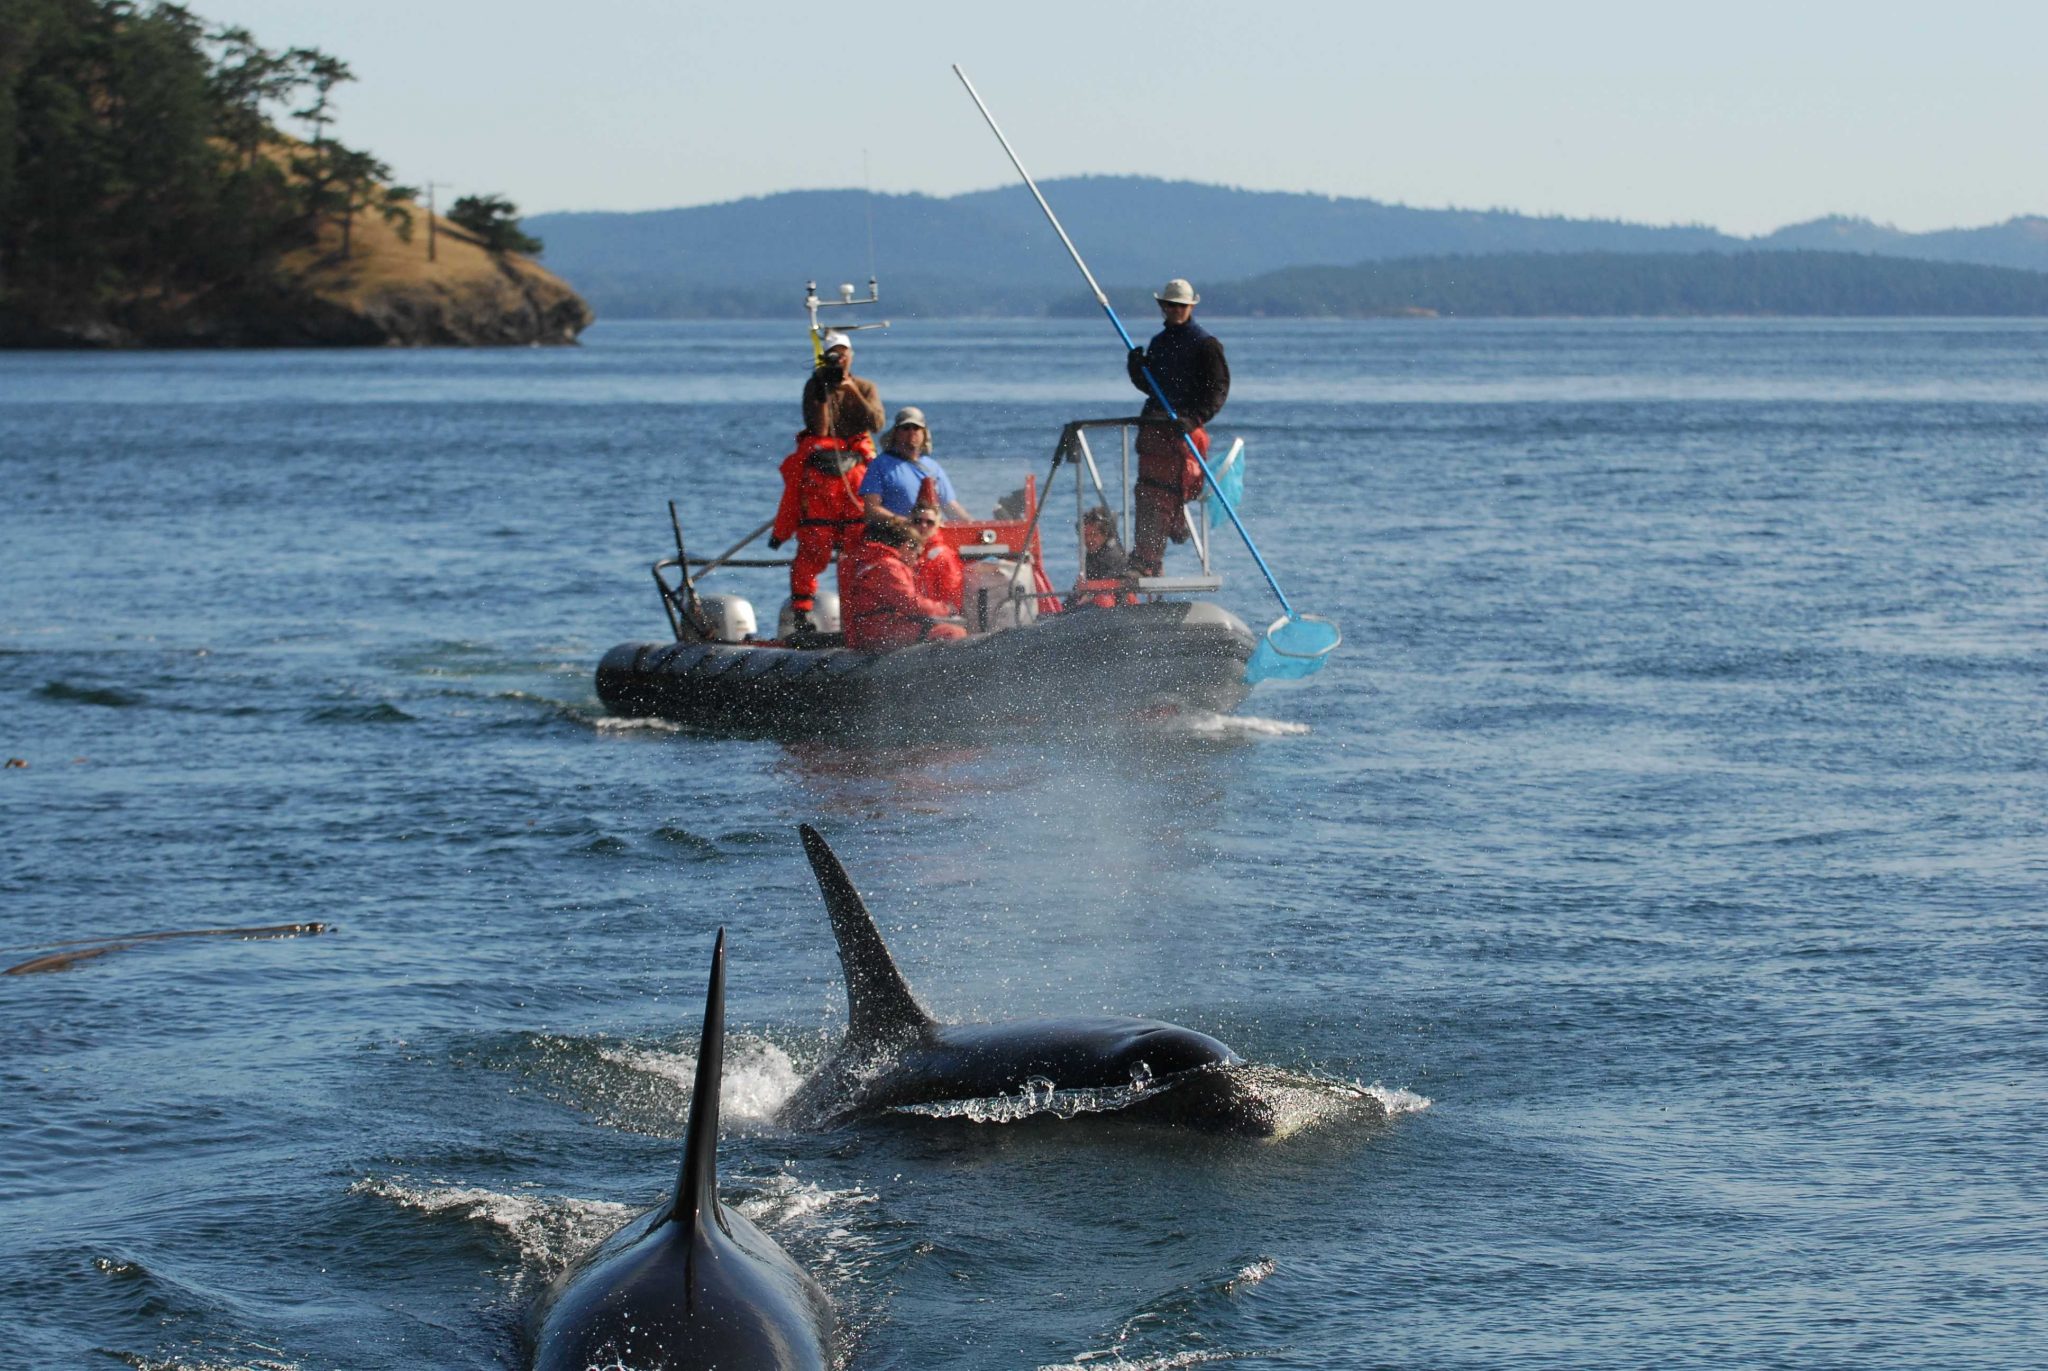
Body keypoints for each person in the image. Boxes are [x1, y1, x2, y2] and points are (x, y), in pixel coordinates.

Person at [771, 331, 884, 633]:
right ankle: (802, 615)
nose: (840, 359)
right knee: (813, 547)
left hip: (855, 474)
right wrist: (823, 389)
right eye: (833, 353)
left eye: (843, 353)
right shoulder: (815, 385)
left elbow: (876, 423)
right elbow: (818, 427)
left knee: (860, 545)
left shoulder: (865, 386)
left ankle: (866, 610)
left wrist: (850, 390)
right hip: (822, 477)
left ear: (851, 355)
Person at [1125, 278, 1229, 577]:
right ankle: (1148, 560)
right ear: (1162, 306)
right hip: (1155, 429)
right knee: (1147, 493)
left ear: (1191, 306)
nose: (1175, 310)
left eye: (1181, 306)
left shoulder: (1207, 345)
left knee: (1168, 492)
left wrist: (1195, 418)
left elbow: (1218, 389)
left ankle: (1154, 552)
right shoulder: (1160, 342)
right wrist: (1136, 369)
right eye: (1170, 305)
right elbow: (1152, 387)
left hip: (1184, 431)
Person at [843, 517, 967, 650]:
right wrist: (945, 610)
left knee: (938, 627)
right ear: (906, 546)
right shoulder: (890, 566)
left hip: (871, 630)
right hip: (881, 632)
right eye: (917, 554)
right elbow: (910, 603)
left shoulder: (872, 562)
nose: (917, 561)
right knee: (953, 633)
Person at [860, 406, 973, 523]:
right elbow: (871, 510)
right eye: (906, 428)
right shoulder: (879, 465)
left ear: (924, 434)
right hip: (893, 534)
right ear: (896, 433)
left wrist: (975, 527)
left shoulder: (933, 467)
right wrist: (906, 523)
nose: (911, 432)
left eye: (916, 428)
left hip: (928, 534)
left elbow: (950, 506)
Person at [910, 479, 964, 613]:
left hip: (935, 617)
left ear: (937, 525)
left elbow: (952, 599)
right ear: (911, 523)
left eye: (929, 522)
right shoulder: (905, 552)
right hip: (913, 615)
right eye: (918, 521)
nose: (923, 526)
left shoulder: (943, 556)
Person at [1066, 505, 1134, 609]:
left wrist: (1088, 591)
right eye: (1085, 535)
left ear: (1105, 534)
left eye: (1094, 535)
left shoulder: (1113, 555)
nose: (1089, 540)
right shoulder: (1093, 554)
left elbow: (1116, 583)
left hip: (1117, 607)